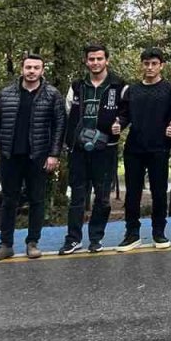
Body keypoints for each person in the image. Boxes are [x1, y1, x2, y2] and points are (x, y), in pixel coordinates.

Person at [0, 54, 65, 263]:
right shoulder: (6, 94)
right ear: (22, 69)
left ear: (42, 71)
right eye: (28, 67)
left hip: (38, 156)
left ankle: (32, 243)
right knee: (9, 200)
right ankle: (5, 245)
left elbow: (59, 127)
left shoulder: (52, 95)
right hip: (10, 155)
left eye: (36, 67)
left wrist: (54, 154)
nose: (32, 71)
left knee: (37, 200)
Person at [60, 44, 127, 255]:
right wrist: (68, 143)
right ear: (86, 61)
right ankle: (73, 239)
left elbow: (127, 113)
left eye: (99, 59)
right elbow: (68, 114)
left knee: (103, 198)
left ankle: (96, 238)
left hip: (105, 149)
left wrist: (121, 124)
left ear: (106, 60)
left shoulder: (120, 86)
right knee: (78, 196)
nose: (95, 63)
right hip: (79, 151)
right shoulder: (76, 86)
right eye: (91, 59)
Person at [116, 48, 171, 252]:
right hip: (134, 148)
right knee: (132, 193)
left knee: (159, 192)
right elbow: (124, 115)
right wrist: (119, 124)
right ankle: (132, 234)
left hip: (159, 148)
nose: (150, 67)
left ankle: (158, 233)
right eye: (146, 63)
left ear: (162, 65)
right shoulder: (132, 90)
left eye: (154, 63)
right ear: (141, 65)